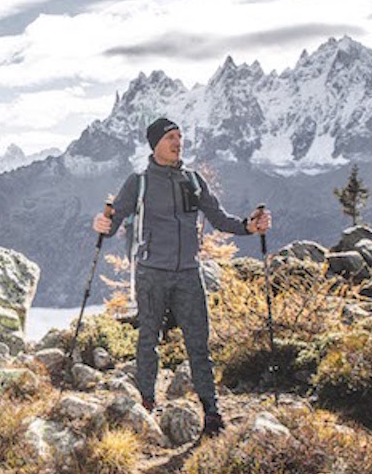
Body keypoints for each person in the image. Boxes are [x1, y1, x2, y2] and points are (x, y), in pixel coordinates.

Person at [92, 117, 271, 435]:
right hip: (151, 274)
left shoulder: (193, 180)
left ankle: (212, 413)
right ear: (155, 144)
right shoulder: (139, 182)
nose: (178, 142)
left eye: (180, 137)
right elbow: (113, 221)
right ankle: (147, 404)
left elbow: (218, 218)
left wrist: (248, 226)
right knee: (148, 340)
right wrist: (101, 225)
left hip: (189, 272)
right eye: (171, 137)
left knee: (198, 344)